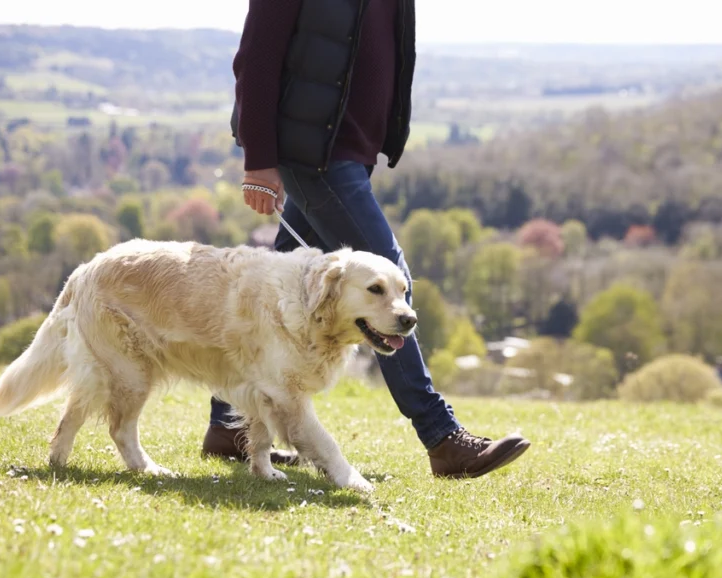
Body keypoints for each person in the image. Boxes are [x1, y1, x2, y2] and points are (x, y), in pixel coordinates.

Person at [201, 0, 531, 479]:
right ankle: (442, 439)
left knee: (272, 294)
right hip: (314, 153)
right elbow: (257, 55)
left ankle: (229, 428)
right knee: (388, 279)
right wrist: (259, 158)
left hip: (347, 151)